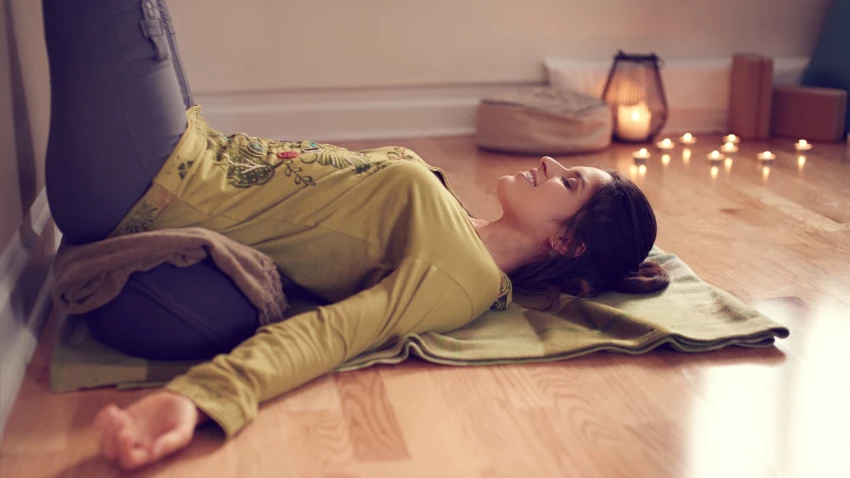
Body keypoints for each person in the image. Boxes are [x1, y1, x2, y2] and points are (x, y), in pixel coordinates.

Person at [41, 0, 669, 471]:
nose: (552, 166)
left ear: (566, 244)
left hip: (148, 181)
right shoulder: (461, 224)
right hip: (189, 152)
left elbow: (333, 334)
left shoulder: (461, 277)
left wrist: (197, 400)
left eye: (570, 185)